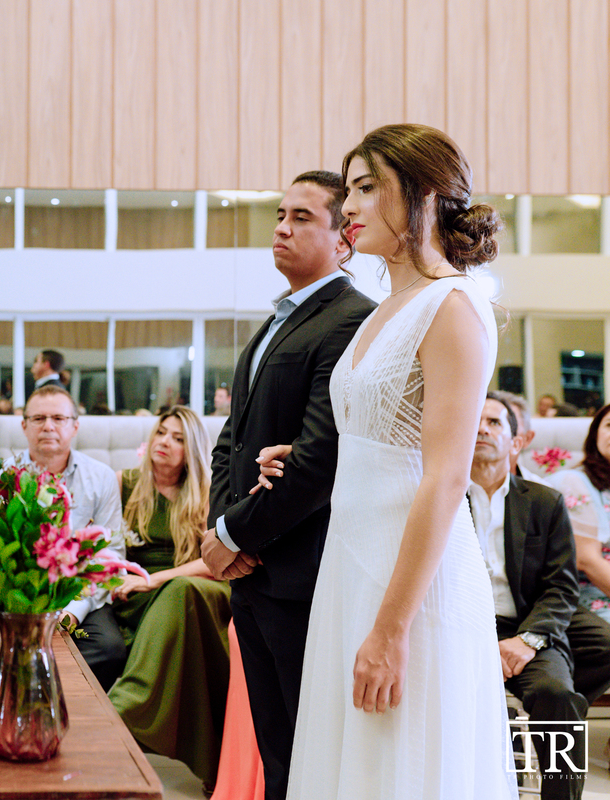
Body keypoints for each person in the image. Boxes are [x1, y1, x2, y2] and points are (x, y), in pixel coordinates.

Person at [258, 124, 514, 799]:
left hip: (413, 584)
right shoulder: (384, 308)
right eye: (350, 190)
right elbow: (383, 429)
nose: (350, 207)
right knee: (355, 765)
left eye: (367, 188)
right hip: (353, 564)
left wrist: (391, 628)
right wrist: (310, 454)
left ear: (424, 196)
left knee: (400, 766)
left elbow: (445, 474)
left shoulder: (453, 306)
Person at [199, 170, 376, 800]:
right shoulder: (275, 320)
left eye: (302, 217)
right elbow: (232, 440)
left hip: (303, 574)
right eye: (280, 214)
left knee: (311, 754)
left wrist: (234, 534)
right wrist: (220, 529)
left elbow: (318, 460)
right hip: (251, 573)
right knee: (278, 753)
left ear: (344, 236)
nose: (281, 227)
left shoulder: (354, 320)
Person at [468, 394, 610, 800]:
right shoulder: (442, 498)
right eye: (474, 421)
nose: (481, 429)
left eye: (495, 422)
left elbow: (561, 585)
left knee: (558, 697)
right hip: (461, 627)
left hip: (526, 624)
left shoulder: (544, 502)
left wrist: (527, 641)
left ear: (516, 441)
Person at [105, 407, 232, 790]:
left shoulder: (209, 492)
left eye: (178, 438)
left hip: (198, 586)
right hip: (138, 593)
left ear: (191, 449)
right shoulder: (123, 482)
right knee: (163, 599)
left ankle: (124, 706)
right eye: (161, 433)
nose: (165, 442)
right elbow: (103, 547)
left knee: (180, 592)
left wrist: (155, 578)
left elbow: (215, 563)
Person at [7, 384, 127, 690]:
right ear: (24, 426)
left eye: (58, 418)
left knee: (109, 649)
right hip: (18, 590)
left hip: (79, 589)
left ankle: (63, 703)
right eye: (38, 419)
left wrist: (73, 611)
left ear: (74, 426)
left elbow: (110, 553)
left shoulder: (100, 477)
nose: (48, 426)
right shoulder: (3, 477)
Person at [552, 403, 610, 623]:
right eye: (609, 425)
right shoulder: (573, 482)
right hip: (594, 597)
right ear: (595, 435)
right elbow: (587, 560)